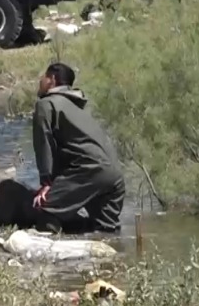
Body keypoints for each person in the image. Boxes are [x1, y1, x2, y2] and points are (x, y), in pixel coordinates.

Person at [27, 63, 126, 234]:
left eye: (43, 77)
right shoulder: (78, 108)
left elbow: (44, 144)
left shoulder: (46, 104)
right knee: (107, 232)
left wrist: (46, 183)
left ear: (52, 80)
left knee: (45, 210)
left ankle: (51, 246)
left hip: (90, 171)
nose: (40, 81)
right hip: (115, 177)